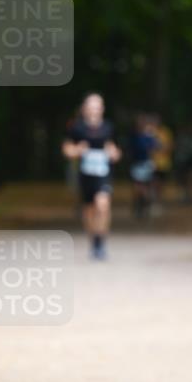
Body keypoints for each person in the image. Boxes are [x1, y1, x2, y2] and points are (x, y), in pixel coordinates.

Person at [62, 93, 121, 259]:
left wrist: (113, 153)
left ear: (102, 109)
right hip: (85, 174)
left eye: (97, 107)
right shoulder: (77, 128)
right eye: (91, 107)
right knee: (88, 211)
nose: (94, 110)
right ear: (84, 109)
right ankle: (93, 241)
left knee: (103, 205)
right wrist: (77, 150)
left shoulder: (108, 127)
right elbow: (67, 150)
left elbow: (116, 151)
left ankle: (100, 242)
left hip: (103, 173)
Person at [129, 113, 159, 218]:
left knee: (144, 186)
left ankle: (144, 206)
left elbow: (156, 148)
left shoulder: (148, 137)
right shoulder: (134, 136)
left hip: (145, 164)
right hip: (137, 164)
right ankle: (140, 205)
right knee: (138, 187)